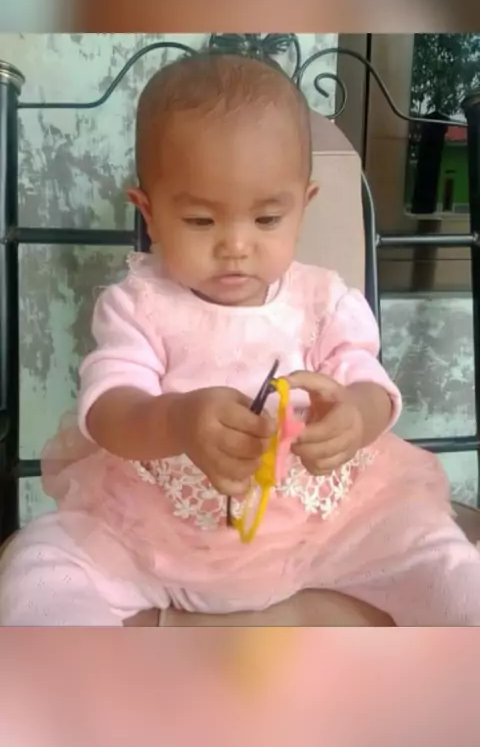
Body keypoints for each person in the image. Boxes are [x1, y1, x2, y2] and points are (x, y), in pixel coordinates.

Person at [1, 53, 479, 626]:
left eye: (267, 219)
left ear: (303, 205)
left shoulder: (325, 300)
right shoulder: (137, 304)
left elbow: (370, 384)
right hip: (156, 536)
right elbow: (107, 410)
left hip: (322, 529)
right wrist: (177, 421)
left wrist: (355, 416)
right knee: (39, 564)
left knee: (435, 552)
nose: (235, 246)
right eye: (201, 221)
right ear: (149, 213)